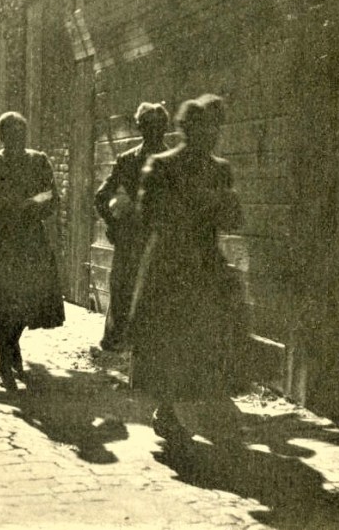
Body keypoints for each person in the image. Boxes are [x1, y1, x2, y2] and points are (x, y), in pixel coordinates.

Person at [128, 93, 250, 447]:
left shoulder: (220, 169)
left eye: (215, 130)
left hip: (204, 263)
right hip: (168, 263)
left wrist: (222, 204)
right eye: (204, 129)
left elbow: (232, 218)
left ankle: (202, 405)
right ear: (186, 130)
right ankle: (165, 410)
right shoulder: (161, 166)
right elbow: (148, 216)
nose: (212, 137)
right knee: (167, 337)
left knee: (206, 335)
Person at [0, 112, 65, 391]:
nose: (15, 141)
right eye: (9, 135)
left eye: (19, 135)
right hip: (2, 239)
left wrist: (31, 203)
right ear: (2, 137)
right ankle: (4, 362)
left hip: (30, 239)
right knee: (3, 305)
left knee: (28, 301)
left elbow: (51, 196)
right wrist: (3, 203)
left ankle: (12, 346)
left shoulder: (39, 161)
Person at [94, 102, 170, 351]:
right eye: (147, 126)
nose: (153, 132)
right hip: (131, 238)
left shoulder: (173, 164)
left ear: (164, 129)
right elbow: (101, 196)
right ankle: (117, 343)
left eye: (157, 127)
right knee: (122, 288)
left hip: (158, 240)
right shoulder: (127, 161)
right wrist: (114, 224)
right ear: (140, 128)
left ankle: (148, 348)